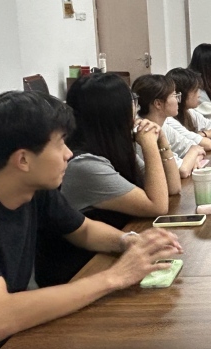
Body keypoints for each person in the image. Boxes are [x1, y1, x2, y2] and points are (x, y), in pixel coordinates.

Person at [0, 91, 183, 349]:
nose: (69, 154)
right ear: (23, 159)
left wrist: (128, 241)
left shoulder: (34, 188)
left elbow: (83, 229)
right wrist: (115, 277)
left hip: (10, 345)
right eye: (60, 144)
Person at [36, 73, 182, 287]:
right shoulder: (83, 164)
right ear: (114, 111)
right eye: (132, 101)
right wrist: (150, 144)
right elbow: (158, 205)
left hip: (107, 256)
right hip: (82, 270)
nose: (136, 108)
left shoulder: (113, 147)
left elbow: (173, 188)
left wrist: (162, 140)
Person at [132, 74, 207, 178]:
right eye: (174, 95)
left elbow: (196, 147)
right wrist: (193, 153)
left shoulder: (163, 124)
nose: (178, 100)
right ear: (158, 104)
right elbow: (183, 170)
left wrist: (194, 156)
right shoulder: (143, 130)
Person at [165, 68, 211, 142]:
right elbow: (206, 143)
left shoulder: (190, 112)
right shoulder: (168, 120)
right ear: (182, 94)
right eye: (195, 90)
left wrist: (203, 134)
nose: (199, 94)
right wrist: (200, 137)